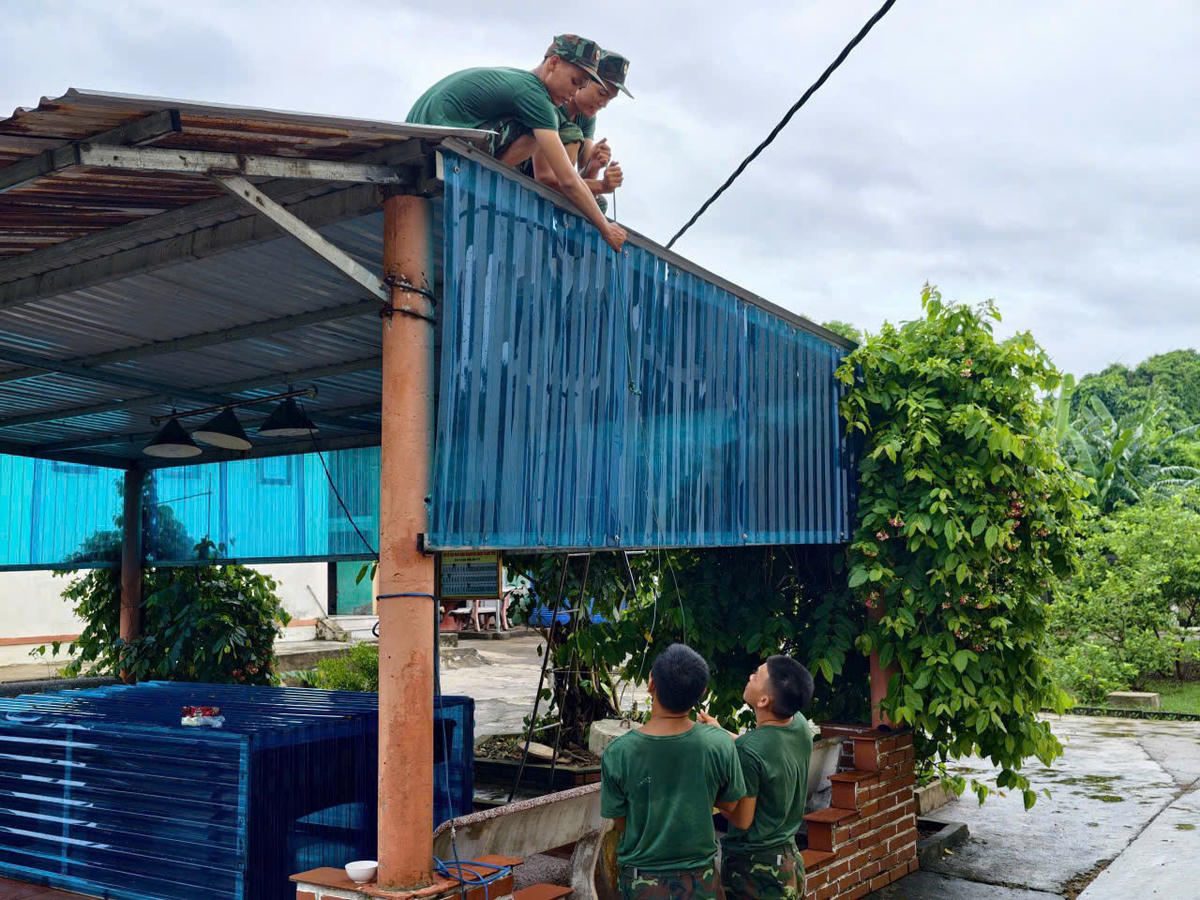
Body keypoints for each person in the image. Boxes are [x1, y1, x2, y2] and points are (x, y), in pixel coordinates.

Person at [407, 35, 626, 252]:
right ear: (554, 63)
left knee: (592, 201)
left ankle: (492, 175)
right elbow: (567, 179)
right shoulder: (536, 98)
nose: (574, 92)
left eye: (581, 87)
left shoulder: (525, 83)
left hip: (426, 135)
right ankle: (489, 176)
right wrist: (605, 228)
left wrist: (596, 173)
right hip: (437, 142)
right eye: (574, 82)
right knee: (549, 127)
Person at [601, 644, 746, 900]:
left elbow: (621, 821)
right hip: (701, 882)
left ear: (651, 684)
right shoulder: (718, 743)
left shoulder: (619, 752)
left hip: (643, 882)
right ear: (702, 692)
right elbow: (731, 804)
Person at [699, 656, 816, 900]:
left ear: (764, 700)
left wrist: (710, 794)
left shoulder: (750, 751)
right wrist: (720, 732)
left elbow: (741, 819)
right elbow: (762, 749)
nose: (751, 676)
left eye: (757, 675)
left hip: (755, 873)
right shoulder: (799, 725)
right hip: (789, 862)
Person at [527, 50, 633, 204]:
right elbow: (544, 178)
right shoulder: (551, 103)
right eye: (602, 94)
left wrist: (594, 165)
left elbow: (583, 177)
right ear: (584, 80)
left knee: (599, 203)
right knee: (573, 133)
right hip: (525, 173)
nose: (603, 104)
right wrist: (601, 185)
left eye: (609, 99)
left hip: (558, 183)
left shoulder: (586, 117)